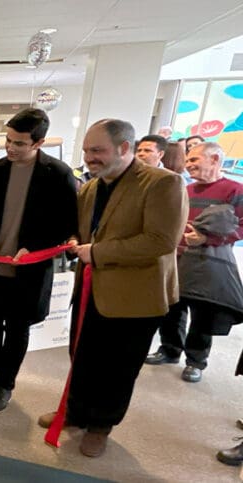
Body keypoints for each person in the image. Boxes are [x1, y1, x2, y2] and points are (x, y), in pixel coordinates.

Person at [38, 118, 187, 457]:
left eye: (97, 150)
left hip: (136, 297)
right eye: (86, 150)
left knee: (118, 367)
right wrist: (75, 240)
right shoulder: (91, 187)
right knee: (82, 356)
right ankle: (76, 413)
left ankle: (101, 426)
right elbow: (82, 230)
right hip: (90, 289)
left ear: (124, 148)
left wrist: (97, 252)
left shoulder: (163, 183)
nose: (89, 157)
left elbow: (161, 240)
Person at [0, 108, 78, 415]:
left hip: (29, 271)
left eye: (19, 143)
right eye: (8, 140)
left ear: (38, 143)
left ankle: (5, 384)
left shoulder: (58, 175)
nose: (10, 147)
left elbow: (67, 224)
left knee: (17, 327)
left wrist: (35, 248)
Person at [144, 142, 243, 382]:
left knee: (203, 313)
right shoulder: (186, 189)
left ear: (215, 159)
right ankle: (169, 349)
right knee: (172, 307)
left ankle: (195, 361)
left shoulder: (235, 190)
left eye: (194, 159)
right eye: (188, 160)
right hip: (176, 258)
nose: (188, 164)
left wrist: (209, 239)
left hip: (208, 262)